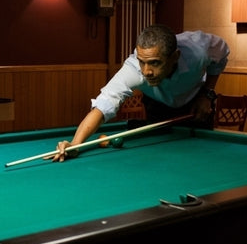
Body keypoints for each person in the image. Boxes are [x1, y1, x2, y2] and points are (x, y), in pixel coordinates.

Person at [53, 24, 230, 161]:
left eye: (155, 63)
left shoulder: (198, 51)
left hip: (195, 104)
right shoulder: (133, 70)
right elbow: (104, 105)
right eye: (142, 62)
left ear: (174, 57)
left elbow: (221, 55)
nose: (146, 71)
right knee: (159, 153)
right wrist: (75, 144)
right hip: (158, 106)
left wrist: (207, 94)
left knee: (201, 154)